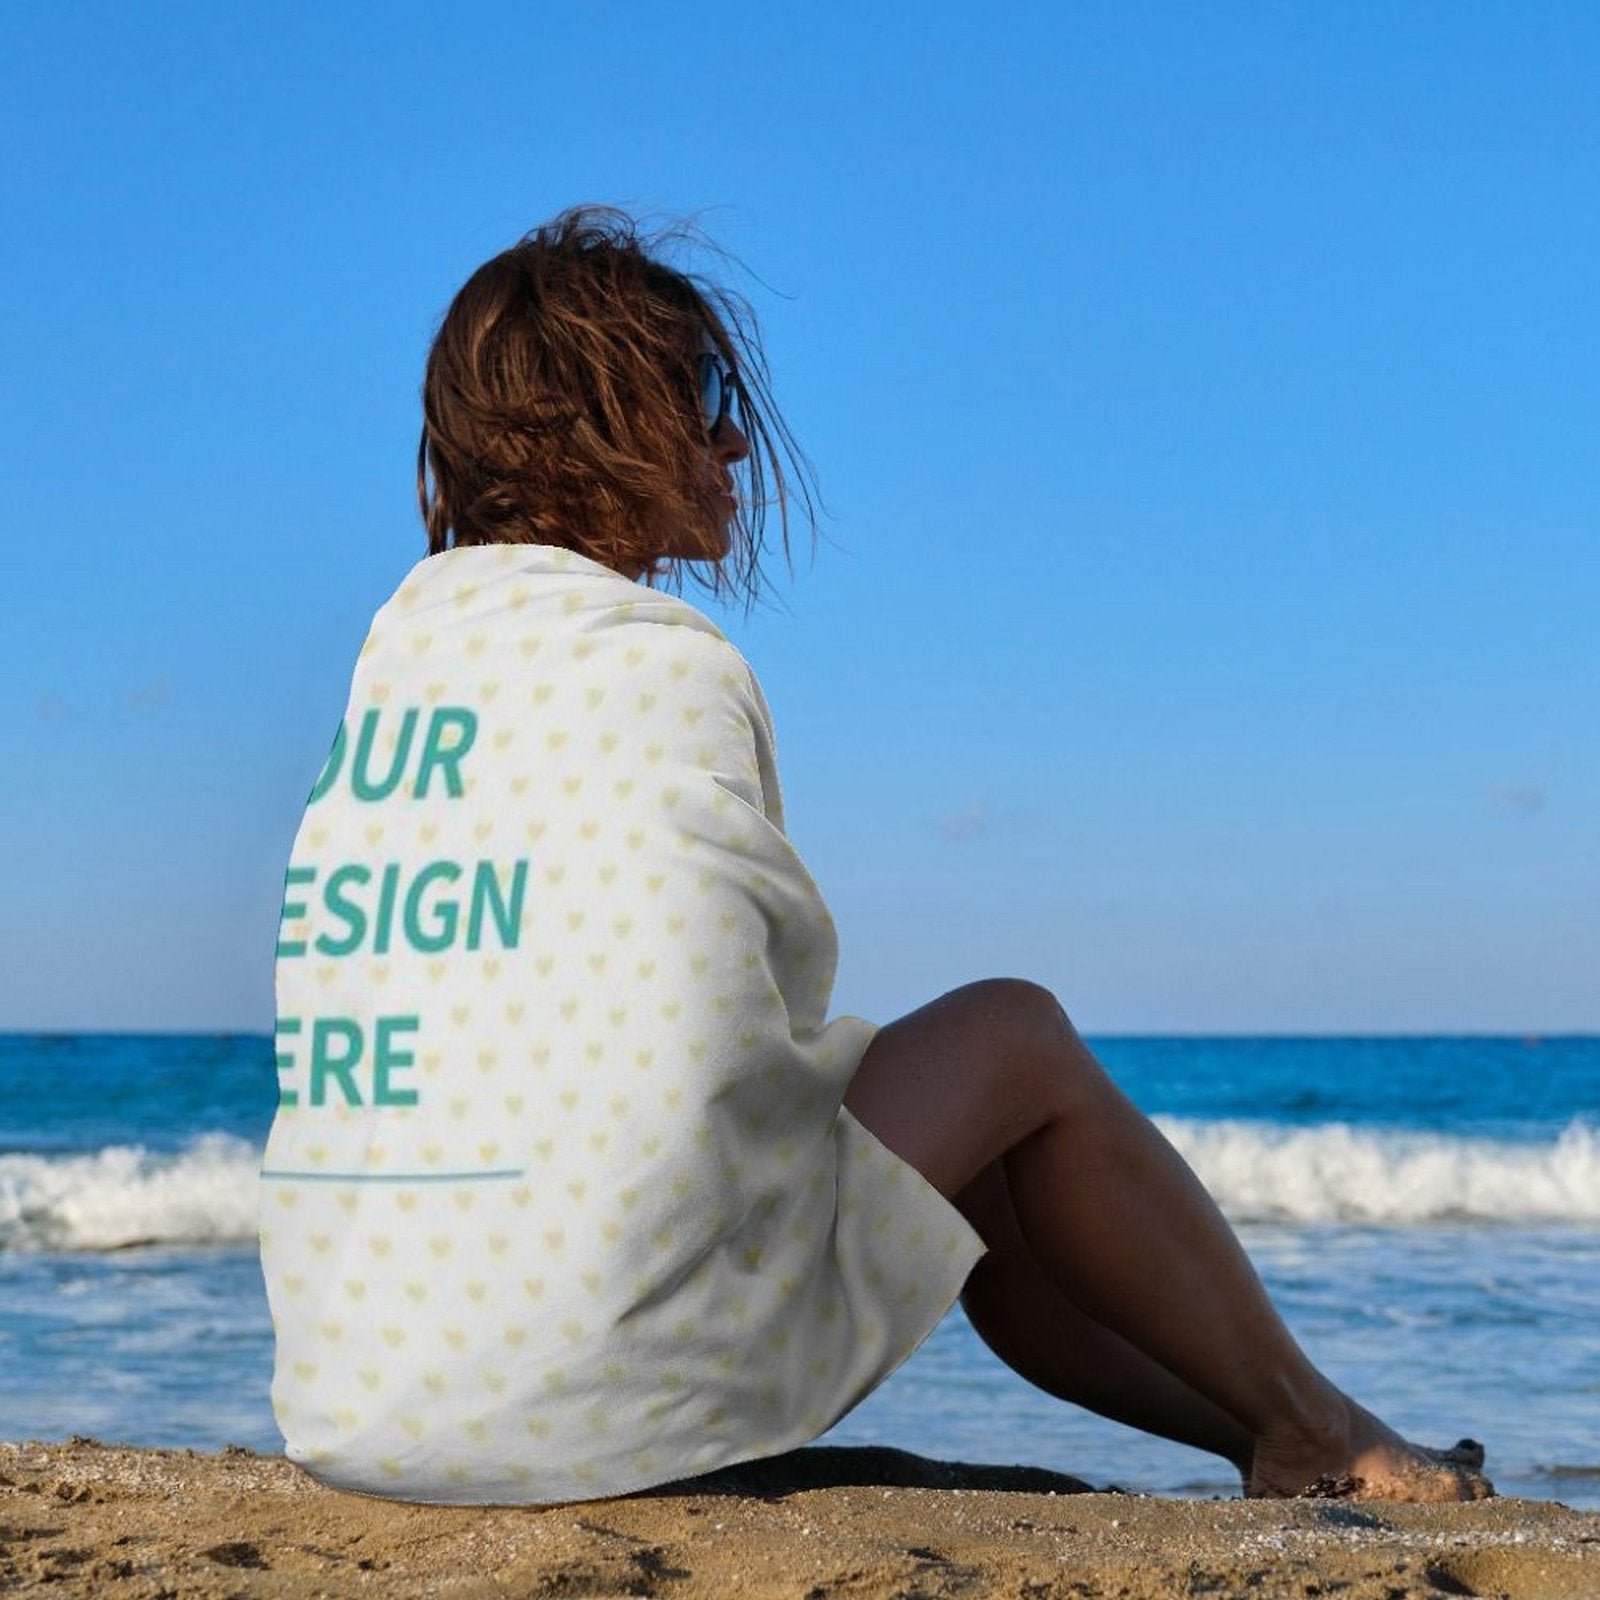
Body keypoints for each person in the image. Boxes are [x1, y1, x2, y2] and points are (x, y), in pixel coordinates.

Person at [258, 204, 1491, 1508]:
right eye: (705, 392)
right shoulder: (658, 664)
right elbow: (718, 1046)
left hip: (360, 1408)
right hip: (590, 1405)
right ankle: (1319, 1429)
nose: (735, 439)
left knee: (991, 1174)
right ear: (603, 416)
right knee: (1014, 1039)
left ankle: (1292, 1434)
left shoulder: (401, 665)